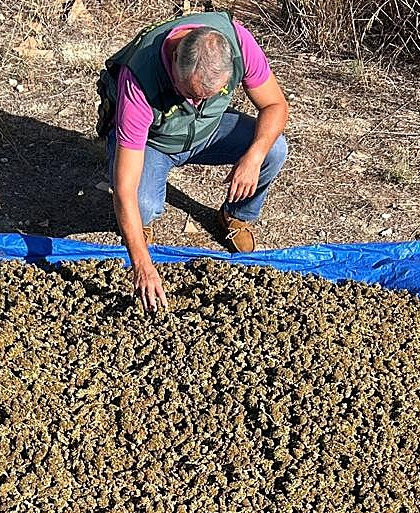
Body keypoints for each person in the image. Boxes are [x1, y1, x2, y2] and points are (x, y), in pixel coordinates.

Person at [97, 11, 290, 312]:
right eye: (190, 94)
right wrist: (142, 264)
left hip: (208, 132)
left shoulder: (239, 44)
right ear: (174, 61)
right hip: (154, 143)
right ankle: (139, 230)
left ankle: (235, 215)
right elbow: (124, 186)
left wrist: (253, 157)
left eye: (208, 96)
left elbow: (275, 105)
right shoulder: (139, 80)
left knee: (274, 148)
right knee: (140, 202)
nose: (197, 103)